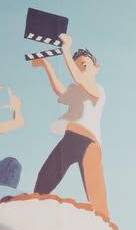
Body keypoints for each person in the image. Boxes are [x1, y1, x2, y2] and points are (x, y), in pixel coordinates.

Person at [31, 35, 109, 219]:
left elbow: (79, 78)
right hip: (70, 139)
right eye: (77, 64)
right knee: (45, 176)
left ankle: (104, 223)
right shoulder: (76, 90)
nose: (81, 68)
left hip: (89, 142)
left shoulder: (97, 89)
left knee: (95, 190)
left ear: (96, 68)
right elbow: (60, 91)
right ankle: (35, 211)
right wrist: (46, 66)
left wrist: (66, 49)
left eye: (85, 64)